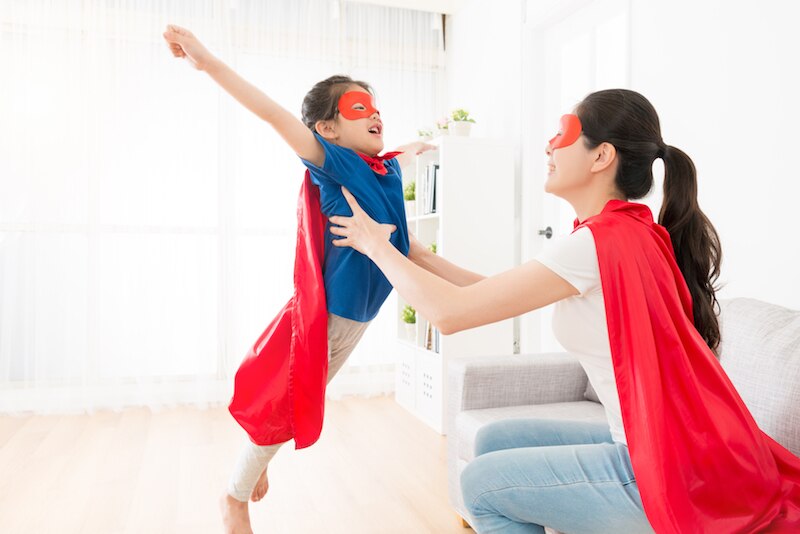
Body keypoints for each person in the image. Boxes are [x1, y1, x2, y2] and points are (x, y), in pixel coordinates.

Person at [329, 89, 800, 533]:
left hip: (665, 471)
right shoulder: (625, 232)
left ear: (601, 156)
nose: (549, 147)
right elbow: (492, 292)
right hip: (675, 450)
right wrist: (414, 254)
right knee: (493, 442)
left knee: (483, 484)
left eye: (563, 135)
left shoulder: (597, 242)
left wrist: (375, 247)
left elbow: (451, 315)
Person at [162, 25, 434, 534]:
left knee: (296, 402)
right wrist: (208, 62)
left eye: (376, 107)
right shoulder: (332, 164)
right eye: (358, 108)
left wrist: (410, 150)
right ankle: (233, 496)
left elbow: (389, 169)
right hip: (330, 317)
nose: (374, 114)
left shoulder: (381, 168)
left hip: (358, 317)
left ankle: (256, 463)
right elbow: (271, 112)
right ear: (326, 130)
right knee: (288, 407)